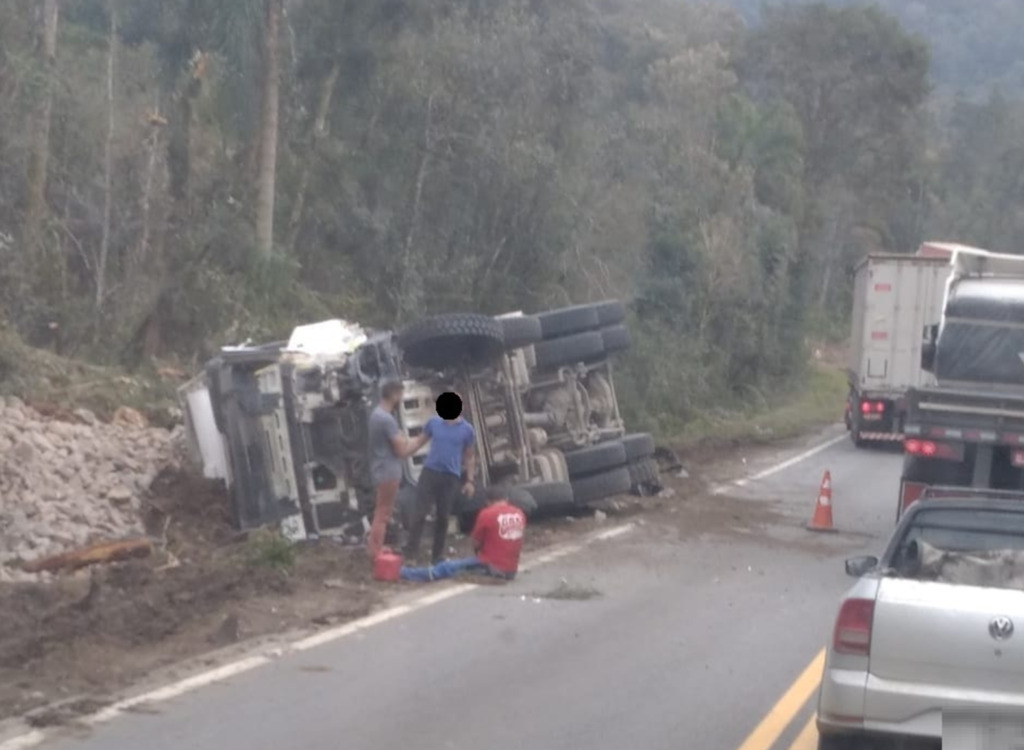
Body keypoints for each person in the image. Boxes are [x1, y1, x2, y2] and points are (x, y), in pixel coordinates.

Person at [403, 390, 476, 564]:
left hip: (451, 477)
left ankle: (437, 556)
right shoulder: (434, 423)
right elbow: (419, 441)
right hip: (430, 473)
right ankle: (411, 554)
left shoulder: (467, 430)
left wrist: (470, 481)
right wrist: (403, 452)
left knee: (443, 517)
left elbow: (469, 455)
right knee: (419, 513)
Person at [401, 487, 526, 582]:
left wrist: (480, 552)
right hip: (511, 570)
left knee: (446, 567)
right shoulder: (519, 514)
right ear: (506, 499)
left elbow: (476, 542)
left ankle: (404, 573)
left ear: (488, 502)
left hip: (492, 566)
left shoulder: (487, 514)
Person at [367, 380, 429, 560]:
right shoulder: (386, 419)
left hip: (381, 468)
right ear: (394, 394)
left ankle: (375, 547)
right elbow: (402, 451)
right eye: (401, 395)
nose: (401, 399)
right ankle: (376, 551)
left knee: (381, 511)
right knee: (383, 513)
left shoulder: (376, 415)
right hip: (389, 471)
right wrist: (422, 439)